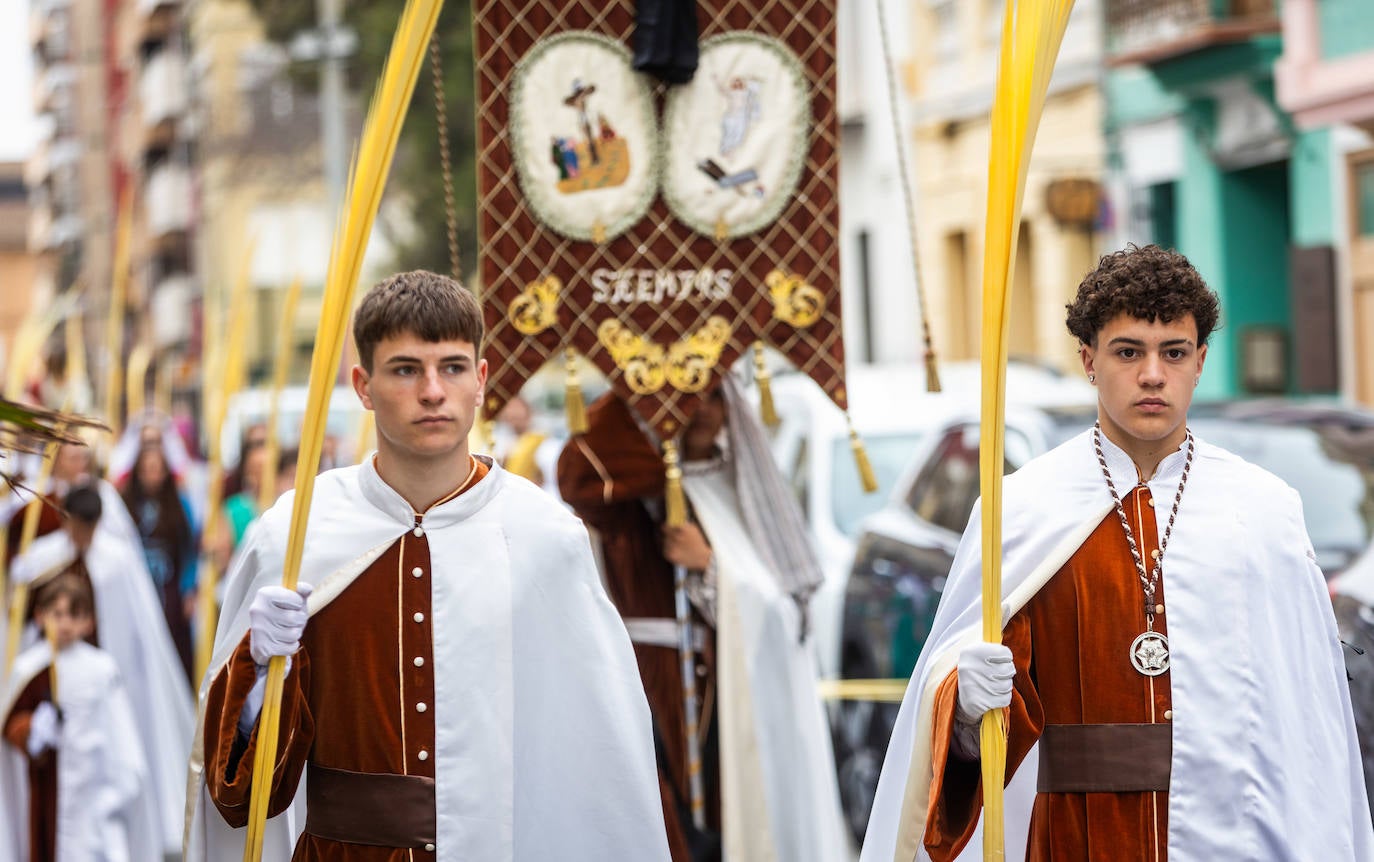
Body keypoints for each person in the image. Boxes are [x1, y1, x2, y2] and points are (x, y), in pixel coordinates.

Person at [860, 244, 1374, 861]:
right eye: (1128, 352)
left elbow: (1309, 719)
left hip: (1235, 836)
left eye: (1174, 353)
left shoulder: (1263, 510)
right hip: (1077, 836)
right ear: (1089, 359)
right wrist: (964, 706)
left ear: (1201, 360)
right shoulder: (1021, 509)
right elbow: (977, 726)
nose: (1152, 375)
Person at [186, 271, 670, 861]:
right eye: (406, 369)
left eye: (453, 367)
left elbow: (599, 759)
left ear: (482, 380)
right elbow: (240, 796)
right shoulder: (295, 535)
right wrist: (257, 671)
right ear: (363, 386)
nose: (433, 391)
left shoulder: (544, 538)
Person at [558, 376, 847, 862]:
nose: (704, 409)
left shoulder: (736, 484)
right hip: (658, 692)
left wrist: (709, 566)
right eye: (690, 395)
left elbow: (783, 609)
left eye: (715, 395)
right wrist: (637, 376)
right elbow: (578, 476)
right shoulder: (637, 487)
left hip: (737, 699)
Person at [8, 484, 195, 858]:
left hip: (104, 684)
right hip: (53, 690)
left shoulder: (117, 561)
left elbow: (135, 626)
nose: (84, 537)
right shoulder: (42, 559)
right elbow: (21, 620)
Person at [0, 571, 159, 862]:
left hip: (92, 793)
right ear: (40, 615)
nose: (64, 623)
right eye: (56, 613)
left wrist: (120, 788)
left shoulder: (101, 668)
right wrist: (31, 732)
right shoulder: (30, 667)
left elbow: (118, 731)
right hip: (44, 790)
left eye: (75, 614)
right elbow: (11, 723)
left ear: (89, 621)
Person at [120, 441, 200, 681]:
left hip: (170, 590)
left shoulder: (180, 504)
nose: (151, 476)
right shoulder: (125, 504)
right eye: (146, 469)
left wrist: (188, 589)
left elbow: (190, 551)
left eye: (156, 469)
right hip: (137, 587)